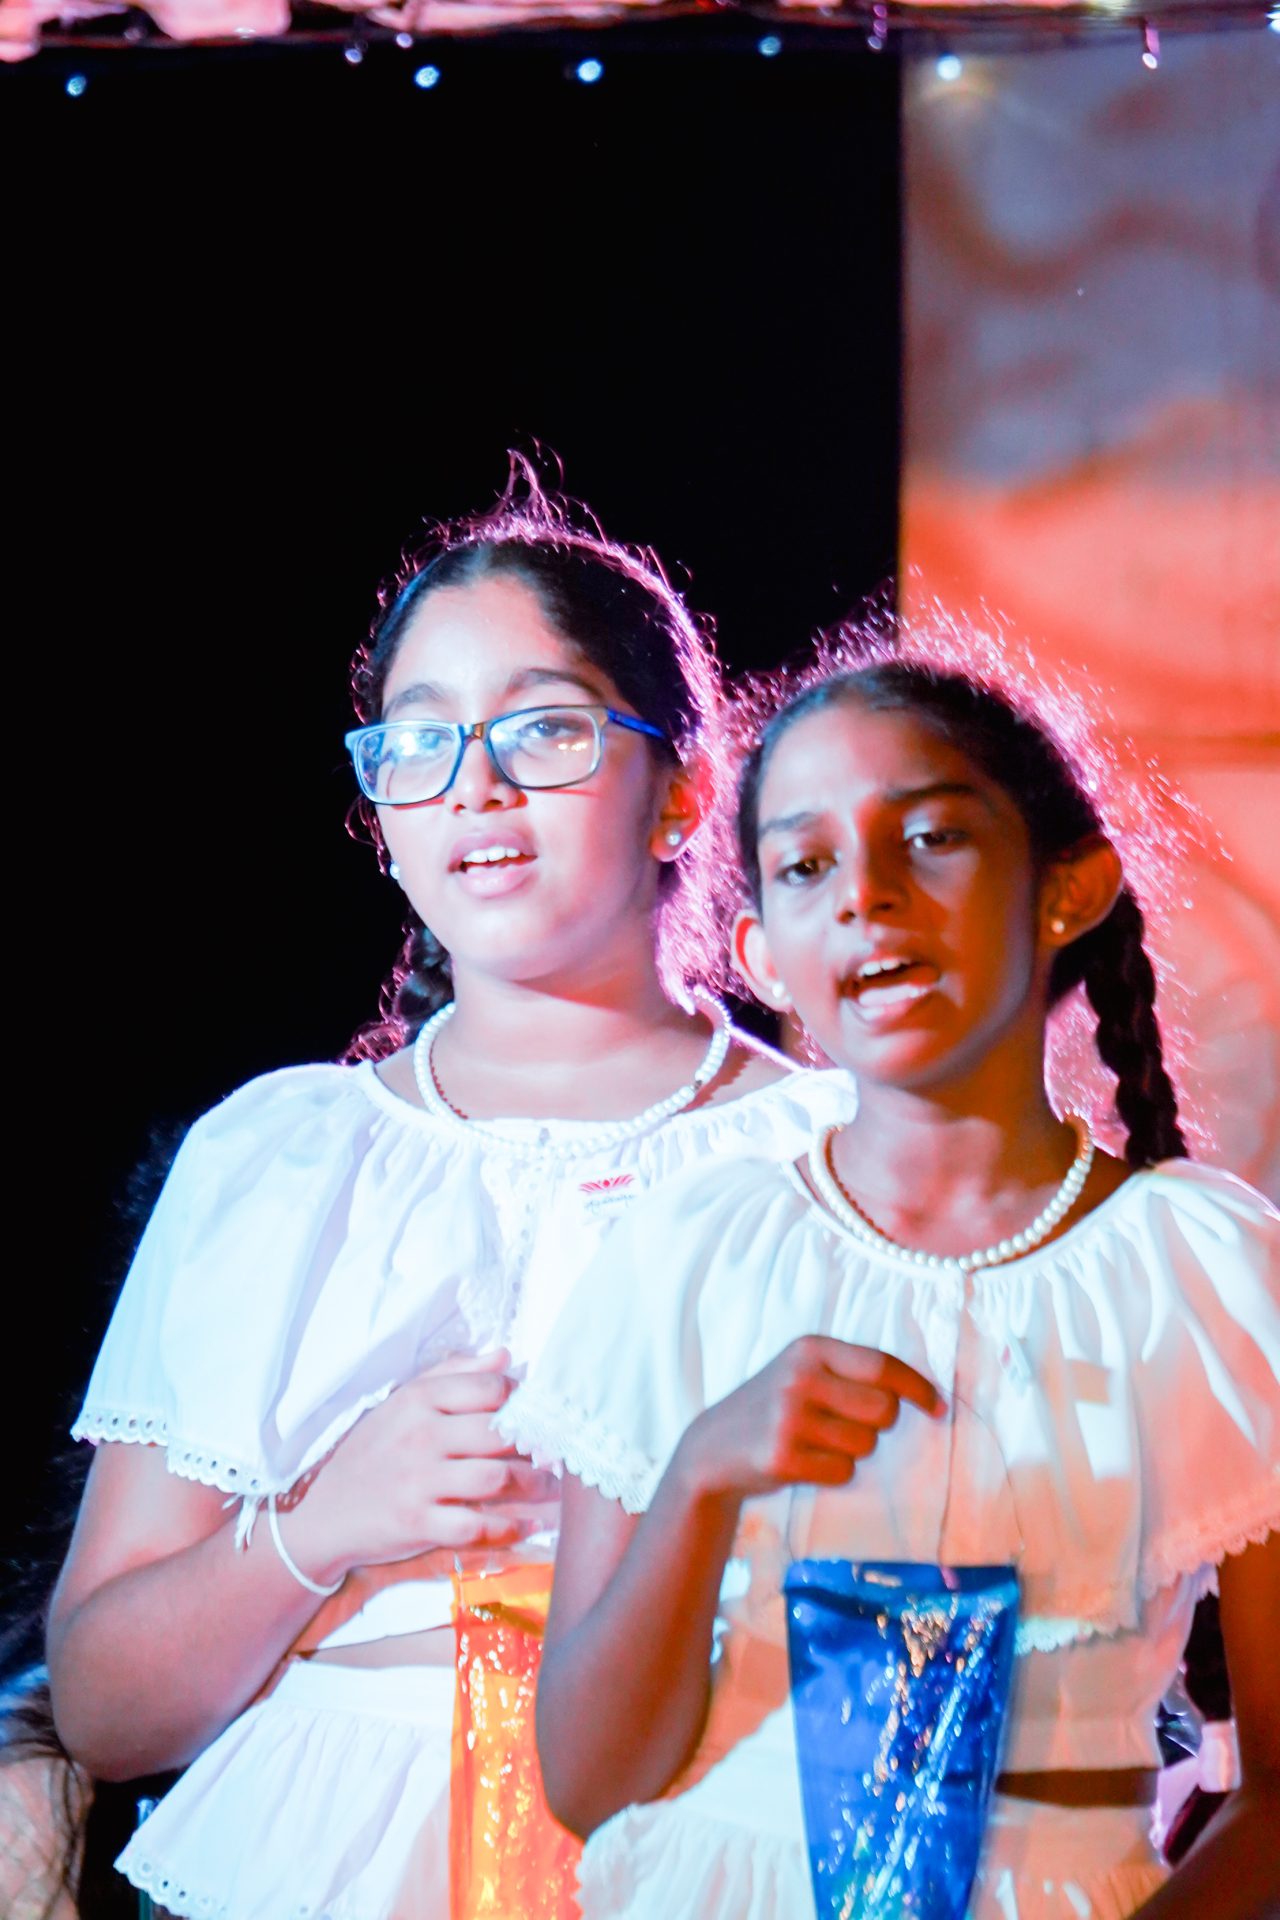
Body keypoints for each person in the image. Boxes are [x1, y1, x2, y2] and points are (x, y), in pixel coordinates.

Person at [44, 463, 855, 1920]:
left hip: (715, 1843)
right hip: (318, 1866)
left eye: (539, 730)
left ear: (681, 786)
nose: (472, 785)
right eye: (418, 743)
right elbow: (104, 1705)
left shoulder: (826, 1151)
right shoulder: (284, 1156)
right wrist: (325, 1521)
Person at [502, 638, 1280, 1918]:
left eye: (928, 838)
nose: (863, 894)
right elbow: (585, 1777)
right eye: (805, 866)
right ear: (758, 953)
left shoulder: (1204, 1269)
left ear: (1064, 889)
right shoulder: (689, 1248)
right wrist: (701, 1470)